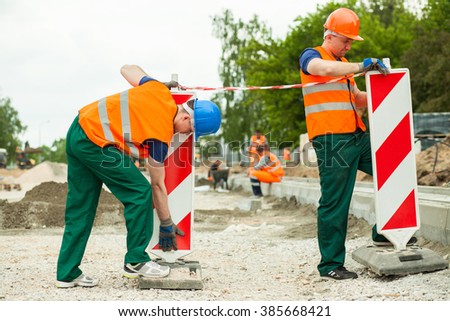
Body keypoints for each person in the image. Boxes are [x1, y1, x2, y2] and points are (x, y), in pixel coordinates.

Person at [56, 64, 221, 288]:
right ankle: (135, 261)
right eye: (190, 131)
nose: (186, 135)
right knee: (139, 192)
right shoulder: (160, 137)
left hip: (78, 128)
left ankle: (66, 273)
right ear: (186, 120)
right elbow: (156, 186)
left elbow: (127, 69)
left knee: (81, 206)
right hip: (96, 143)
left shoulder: (157, 90)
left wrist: (155, 82)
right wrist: (166, 222)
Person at [299, 8, 400, 280]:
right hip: (332, 140)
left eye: (351, 42)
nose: (349, 45)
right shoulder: (313, 55)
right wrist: (360, 66)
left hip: (356, 136)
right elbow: (321, 69)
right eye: (345, 40)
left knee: (394, 168)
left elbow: (356, 97)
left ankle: (385, 231)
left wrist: (389, 91)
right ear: (329, 35)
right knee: (335, 202)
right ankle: (330, 265)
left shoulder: (343, 66)